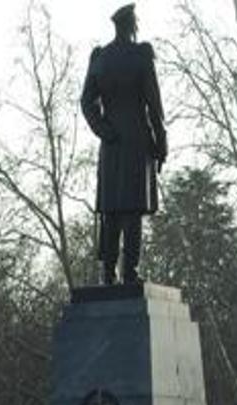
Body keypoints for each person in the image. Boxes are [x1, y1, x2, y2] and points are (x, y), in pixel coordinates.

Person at [80, 3, 167, 285]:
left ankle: (108, 271)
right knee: (131, 210)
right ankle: (129, 271)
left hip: (112, 142)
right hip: (136, 140)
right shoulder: (140, 57)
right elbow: (154, 104)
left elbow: (86, 102)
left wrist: (103, 130)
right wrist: (160, 141)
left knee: (112, 209)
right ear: (132, 26)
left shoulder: (100, 58)